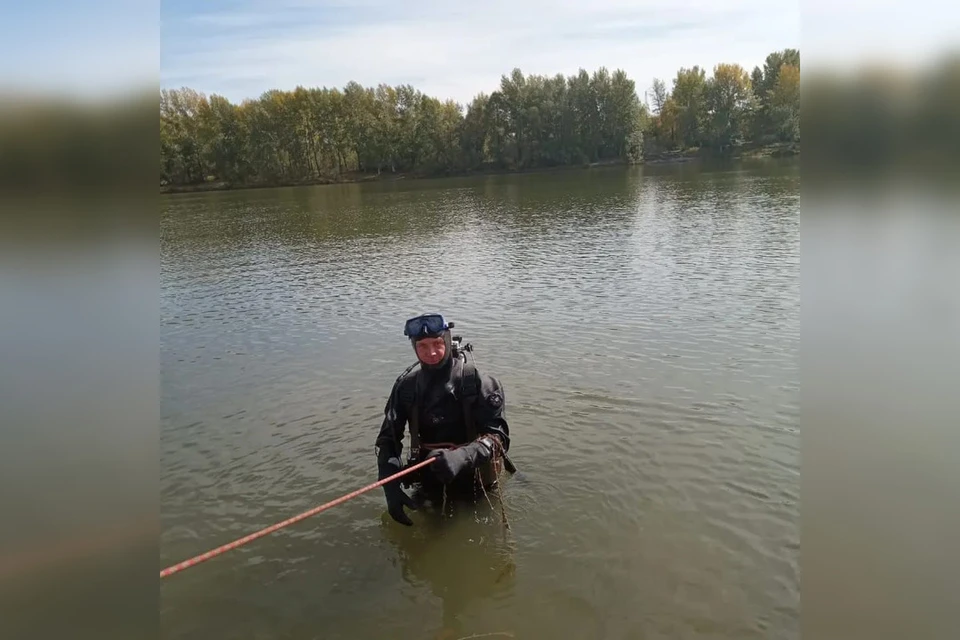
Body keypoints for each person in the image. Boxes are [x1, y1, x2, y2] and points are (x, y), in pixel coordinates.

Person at [375, 313, 511, 526]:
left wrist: (462, 457)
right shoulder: (406, 388)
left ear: (448, 340)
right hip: (430, 479)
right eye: (422, 346)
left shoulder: (479, 383)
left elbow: (499, 439)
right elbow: (388, 440)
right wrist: (389, 484)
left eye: (438, 343)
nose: (431, 353)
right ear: (414, 347)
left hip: (476, 479)